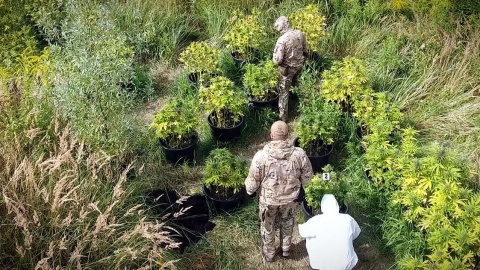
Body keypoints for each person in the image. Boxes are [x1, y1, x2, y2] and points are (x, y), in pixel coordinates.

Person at [245, 120, 313, 262]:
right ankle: (286, 249)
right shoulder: (299, 155)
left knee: (267, 226)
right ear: (288, 135)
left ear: (271, 135)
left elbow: (252, 184)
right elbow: (308, 178)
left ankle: (269, 254)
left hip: (269, 200)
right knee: (287, 223)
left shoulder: (260, 156)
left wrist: (250, 191)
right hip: (290, 199)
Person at [299, 194, 361, 270]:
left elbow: (302, 232)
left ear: (322, 207)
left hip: (320, 267)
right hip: (346, 266)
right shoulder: (347, 219)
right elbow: (356, 233)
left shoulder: (314, 221)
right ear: (337, 205)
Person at [272, 16, 307, 122]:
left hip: (287, 70)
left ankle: (283, 117)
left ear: (280, 27)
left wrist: (273, 57)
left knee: (283, 92)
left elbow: (277, 60)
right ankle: (296, 100)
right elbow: (305, 50)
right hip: (299, 65)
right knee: (295, 84)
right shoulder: (300, 33)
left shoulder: (282, 40)